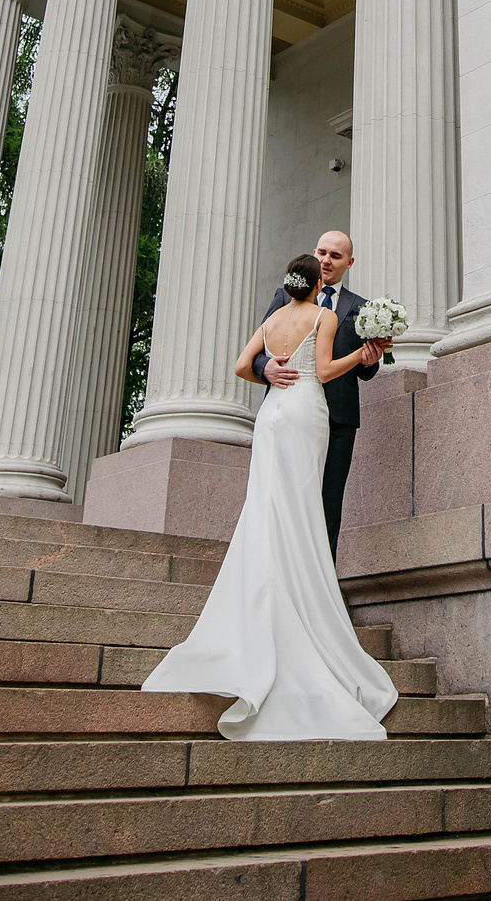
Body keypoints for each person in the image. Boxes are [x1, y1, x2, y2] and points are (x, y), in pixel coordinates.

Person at [140, 253, 399, 740]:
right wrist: (361, 357)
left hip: (272, 415)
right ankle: (302, 596)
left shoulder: (277, 316)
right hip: (304, 412)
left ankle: (270, 590)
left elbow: (242, 365)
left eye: (334, 254)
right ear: (313, 278)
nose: (327, 262)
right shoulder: (322, 316)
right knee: (299, 508)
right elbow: (322, 372)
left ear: (289, 282)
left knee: (266, 506)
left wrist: (270, 371)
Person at [247, 229, 384, 557]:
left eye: (335, 256)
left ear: (349, 263)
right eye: (322, 252)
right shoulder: (284, 297)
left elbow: (366, 371)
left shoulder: (362, 308)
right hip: (291, 408)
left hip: (338, 418)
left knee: (328, 503)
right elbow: (258, 350)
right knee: (283, 495)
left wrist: (370, 361)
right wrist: (264, 367)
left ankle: (322, 592)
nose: (325, 260)